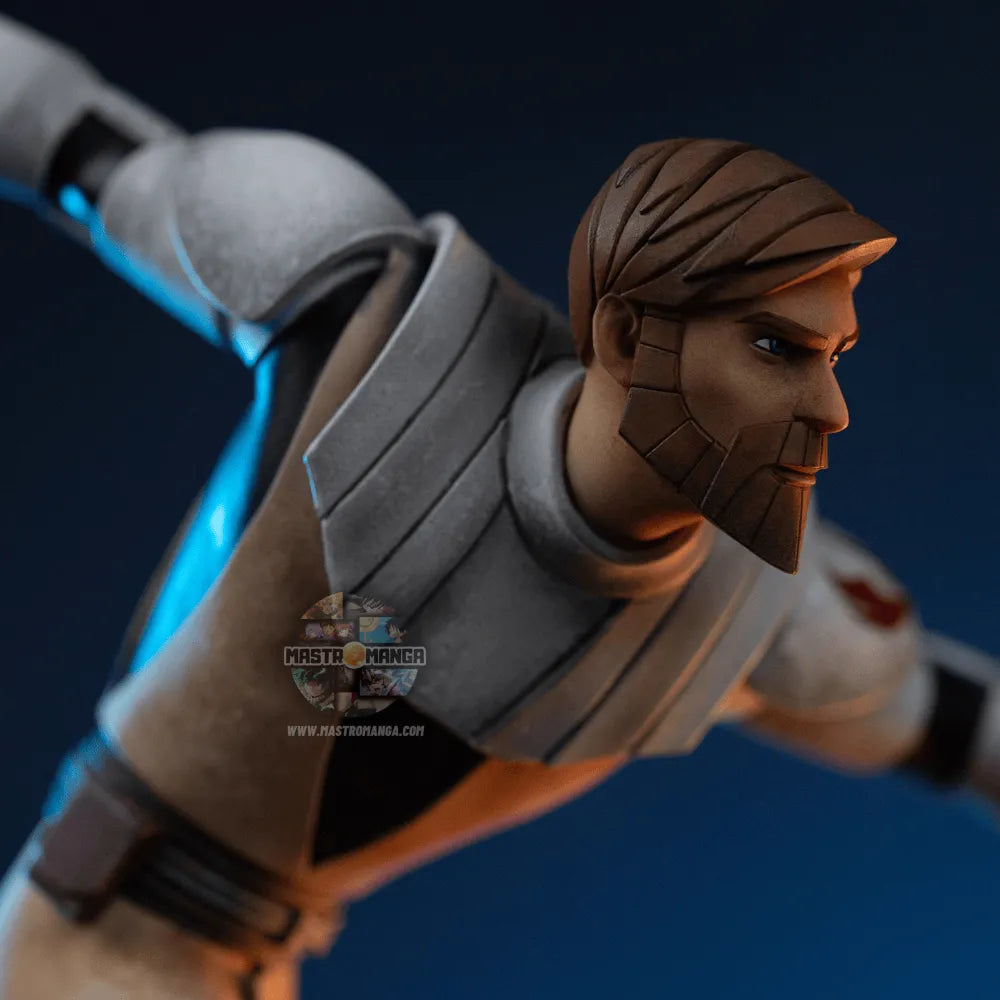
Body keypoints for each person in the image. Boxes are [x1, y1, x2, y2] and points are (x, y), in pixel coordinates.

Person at [0, 13, 997, 1000]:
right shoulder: (361, 306)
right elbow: (54, 126)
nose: (830, 409)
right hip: (79, 942)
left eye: (835, 357)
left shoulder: (776, 619)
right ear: (626, 337)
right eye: (776, 349)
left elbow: (958, 726)